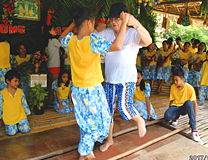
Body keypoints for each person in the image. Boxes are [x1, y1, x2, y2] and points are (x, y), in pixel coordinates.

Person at [59, 6, 129, 160]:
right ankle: (84, 153)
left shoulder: (70, 40)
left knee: (85, 121)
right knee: (99, 124)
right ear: (90, 23)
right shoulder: (92, 40)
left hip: (77, 90)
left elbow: (60, 38)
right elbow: (117, 46)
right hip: (92, 90)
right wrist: (124, 23)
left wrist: (72, 25)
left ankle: (87, 149)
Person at [96, 3, 152, 152]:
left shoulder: (133, 33)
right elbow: (91, 39)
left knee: (123, 106)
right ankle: (109, 140)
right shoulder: (106, 33)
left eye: (117, 19)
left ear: (125, 19)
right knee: (107, 111)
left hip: (126, 79)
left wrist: (136, 23)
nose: (114, 22)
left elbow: (148, 41)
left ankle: (139, 120)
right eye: (111, 19)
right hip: (109, 79)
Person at [164, 69, 200, 142]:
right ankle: (176, 116)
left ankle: (194, 130)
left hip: (184, 108)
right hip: (175, 106)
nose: (175, 82)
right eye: (174, 80)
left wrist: (195, 117)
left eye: (176, 80)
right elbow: (171, 101)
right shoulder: (173, 87)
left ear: (182, 79)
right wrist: (170, 112)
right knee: (167, 116)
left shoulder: (189, 88)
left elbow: (194, 104)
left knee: (189, 102)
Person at [0, 70, 31, 136]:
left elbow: (24, 104)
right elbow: (0, 107)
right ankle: (14, 125)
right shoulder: (2, 93)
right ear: (8, 81)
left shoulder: (20, 91)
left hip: (20, 116)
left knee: (26, 130)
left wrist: (27, 115)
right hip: (9, 118)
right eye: (15, 81)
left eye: (18, 81)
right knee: (11, 133)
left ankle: (18, 124)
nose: (17, 83)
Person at [43, 26, 61, 105]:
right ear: (49, 32)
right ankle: (52, 102)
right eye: (53, 29)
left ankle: (49, 101)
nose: (55, 31)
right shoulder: (54, 40)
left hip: (49, 65)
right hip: (55, 65)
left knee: (50, 84)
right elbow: (62, 44)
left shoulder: (47, 42)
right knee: (54, 85)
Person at [94, 18, 110, 87]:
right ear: (98, 27)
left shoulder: (103, 36)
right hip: (97, 62)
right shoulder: (94, 35)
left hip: (103, 61)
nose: (105, 29)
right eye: (104, 27)